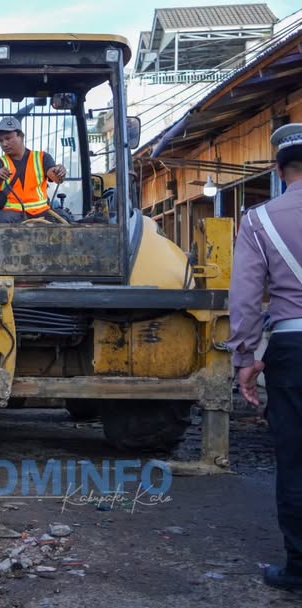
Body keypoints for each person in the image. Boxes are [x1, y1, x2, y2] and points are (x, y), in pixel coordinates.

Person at [229, 122, 302, 592]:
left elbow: (246, 299)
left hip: (292, 348)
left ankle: (298, 567)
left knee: (294, 459)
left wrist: (245, 359)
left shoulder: (259, 220)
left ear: (278, 169)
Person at [0, 116, 67, 223]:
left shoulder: (42, 158)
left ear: (21, 136)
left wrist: (59, 172)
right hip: (12, 212)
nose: (4, 144)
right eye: (1, 140)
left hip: (42, 211)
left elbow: (55, 177)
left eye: (8, 138)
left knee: (65, 221)